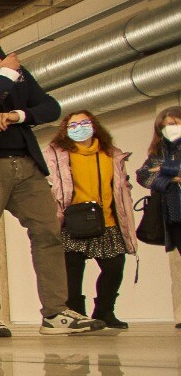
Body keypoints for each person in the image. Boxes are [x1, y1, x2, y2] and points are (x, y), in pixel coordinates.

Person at [0, 14, 99, 336]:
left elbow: (51, 108)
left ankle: (56, 312)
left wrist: (17, 115)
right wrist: (6, 74)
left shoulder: (16, 73)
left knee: (48, 233)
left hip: (26, 164)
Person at [45, 110, 137, 329]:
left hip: (107, 220)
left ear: (94, 126)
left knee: (114, 267)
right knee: (72, 271)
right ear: (65, 131)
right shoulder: (57, 154)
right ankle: (77, 313)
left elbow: (119, 186)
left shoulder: (111, 153)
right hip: (72, 221)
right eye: (73, 125)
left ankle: (105, 310)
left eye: (84, 123)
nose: (79, 128)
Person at [136, 106, 181, 272]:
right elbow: (143, 175)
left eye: (173, 123)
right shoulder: (159, 151)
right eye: (163, 126)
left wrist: (165, 169)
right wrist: (172, 179)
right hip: (174, 215)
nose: (169, 129)